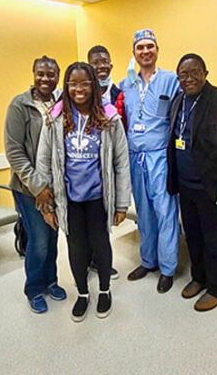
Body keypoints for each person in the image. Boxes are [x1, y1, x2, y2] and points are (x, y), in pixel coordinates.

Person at [120, 29, 217, 293]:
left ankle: (167, 268)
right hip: (136, 158)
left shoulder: (171, 81)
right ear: (134, 53)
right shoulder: (125, 84)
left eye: (150, 46)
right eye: (140, 47)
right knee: (144, 214)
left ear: (157, 50)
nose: (145, 51)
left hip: (161, 158)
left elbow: (200, 91)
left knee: (165, 214)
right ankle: (148, 261)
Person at [35, 62, 131, 322]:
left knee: (101, 243)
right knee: (75, 246)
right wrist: (46, 202)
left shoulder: (109, 117)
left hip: (100, 197)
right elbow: (43, 160)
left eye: (85, 83)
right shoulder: (54, 119)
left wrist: (121, 204)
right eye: (73, 83)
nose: (79, 89)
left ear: (94, 86)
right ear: (66, 86)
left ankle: (104, 290)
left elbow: (121, 162)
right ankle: (82, 293)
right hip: (69, 198)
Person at [166, 53, 217, 311]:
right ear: (178, 78)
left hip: (214, 188)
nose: (189, 78)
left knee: (214, 240)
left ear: (205, 73)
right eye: (183, 74)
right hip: (186, 186)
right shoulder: (178, 101)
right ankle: (199, 278)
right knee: (193, 237)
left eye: (194, 72)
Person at [4, 56, 67, 314]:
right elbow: (14, 151)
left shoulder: (61, 103)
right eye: (41, 74)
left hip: (56, 187)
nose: (45, 79)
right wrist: (39, 188)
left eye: (51, 74)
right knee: (39, 239)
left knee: (52, 236)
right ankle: (34, 288)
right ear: (33, 74)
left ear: (57, 76)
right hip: (28, 189)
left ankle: (51, 281)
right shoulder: (20, 105)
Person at [85, 45, 124, 280]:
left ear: (111, 64)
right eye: (95, 63)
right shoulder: (77, 91)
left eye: (104, 62)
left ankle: (101, 261)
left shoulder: (121, 91)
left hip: (109, 166)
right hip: (83, 166)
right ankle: (88, 259)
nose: (101, 66)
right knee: (83, 219)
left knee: (102, 219)